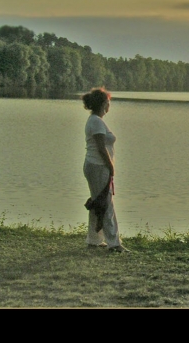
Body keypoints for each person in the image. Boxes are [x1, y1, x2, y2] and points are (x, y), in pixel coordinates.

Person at [81, 87, 129, 253]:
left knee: (98, 203)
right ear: (103, 103)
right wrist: (110, 166)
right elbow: (101, 148)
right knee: (106, 203)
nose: (110, 105)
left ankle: (94, 239)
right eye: (108, 101)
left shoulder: (96, 120)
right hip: (98, 166)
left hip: (95, 166)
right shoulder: (96, 121)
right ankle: (114, 243)